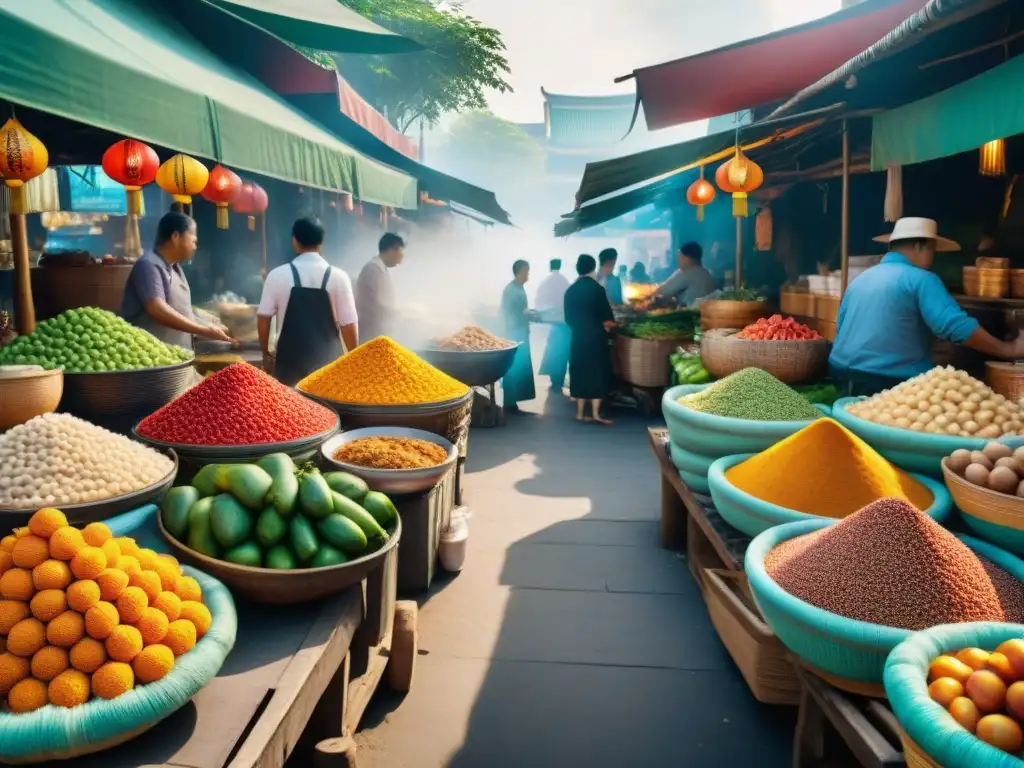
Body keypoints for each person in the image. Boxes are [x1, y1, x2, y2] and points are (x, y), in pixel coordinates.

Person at [830, 217, 1024, 396]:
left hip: (838, 373)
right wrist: (1008, 349)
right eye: (933, 250)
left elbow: (841, 326)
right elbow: (955, 326)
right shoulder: (921, 279)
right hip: (885, 381)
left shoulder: (860, 279)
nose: (934, 258)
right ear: (919, 246)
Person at [257, 216, 358, 386]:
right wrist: (354, 360)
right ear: (322, 242)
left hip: (289, 365)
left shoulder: (277, 275)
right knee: (327, 410)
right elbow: (349, 324)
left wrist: (265, 353)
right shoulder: (339, 277)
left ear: (294, 241)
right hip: (328, 368)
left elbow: (263, 318)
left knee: (292, 410)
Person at [122, 211, 233, 350]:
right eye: (193, 241)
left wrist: (208, 324)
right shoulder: (148, 265)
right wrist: (202, 330)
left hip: (175, 356)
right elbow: (157, 309)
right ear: (176, 237)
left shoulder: (175, 268)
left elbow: (181, 311)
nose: (195, 247)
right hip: (151, 358)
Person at [564, 254, 616, 424]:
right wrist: (611, 327)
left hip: (577, 337)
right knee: (596, 373)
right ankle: (595, 414)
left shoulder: (570, 290)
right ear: (593, 268)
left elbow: (568, 318)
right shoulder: (597, 289)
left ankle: (579, 413)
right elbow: (607, 319)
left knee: (579, 371)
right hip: (596, 338)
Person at [500, 260, 536, 413]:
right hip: (514, 332)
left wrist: (527, 313)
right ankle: (510, 403)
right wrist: (526, 315)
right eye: (526, 272)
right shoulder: (512, 290)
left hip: (519, 330)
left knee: (518, 367)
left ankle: (513, 401)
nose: (528, 275)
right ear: (520, 271)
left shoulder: (518, 288)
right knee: (514, 367)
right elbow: (509, 313)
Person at [355, 232, 405, 343]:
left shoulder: (380, 268)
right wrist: (401, 312)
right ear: (393, 249)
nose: (402, 257)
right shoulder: (373, 269)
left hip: (378, 334)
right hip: (372, 335)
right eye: (401, 251)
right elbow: (378, 305)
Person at [535, 258, 572, 392]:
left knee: (554, 351)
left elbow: (540, 300)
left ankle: (555, 380)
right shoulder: (564, 280)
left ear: (550, 267)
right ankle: (559, 380)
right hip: (564, 321)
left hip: (554, 322)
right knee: (562, 353)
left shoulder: (546, 281)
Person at [654, 241, 716, 306]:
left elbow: (662, 291)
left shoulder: (687, 272)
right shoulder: (707, 274)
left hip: (690, 314)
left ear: (686, 258)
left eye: (680, 257)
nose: (678, 261)